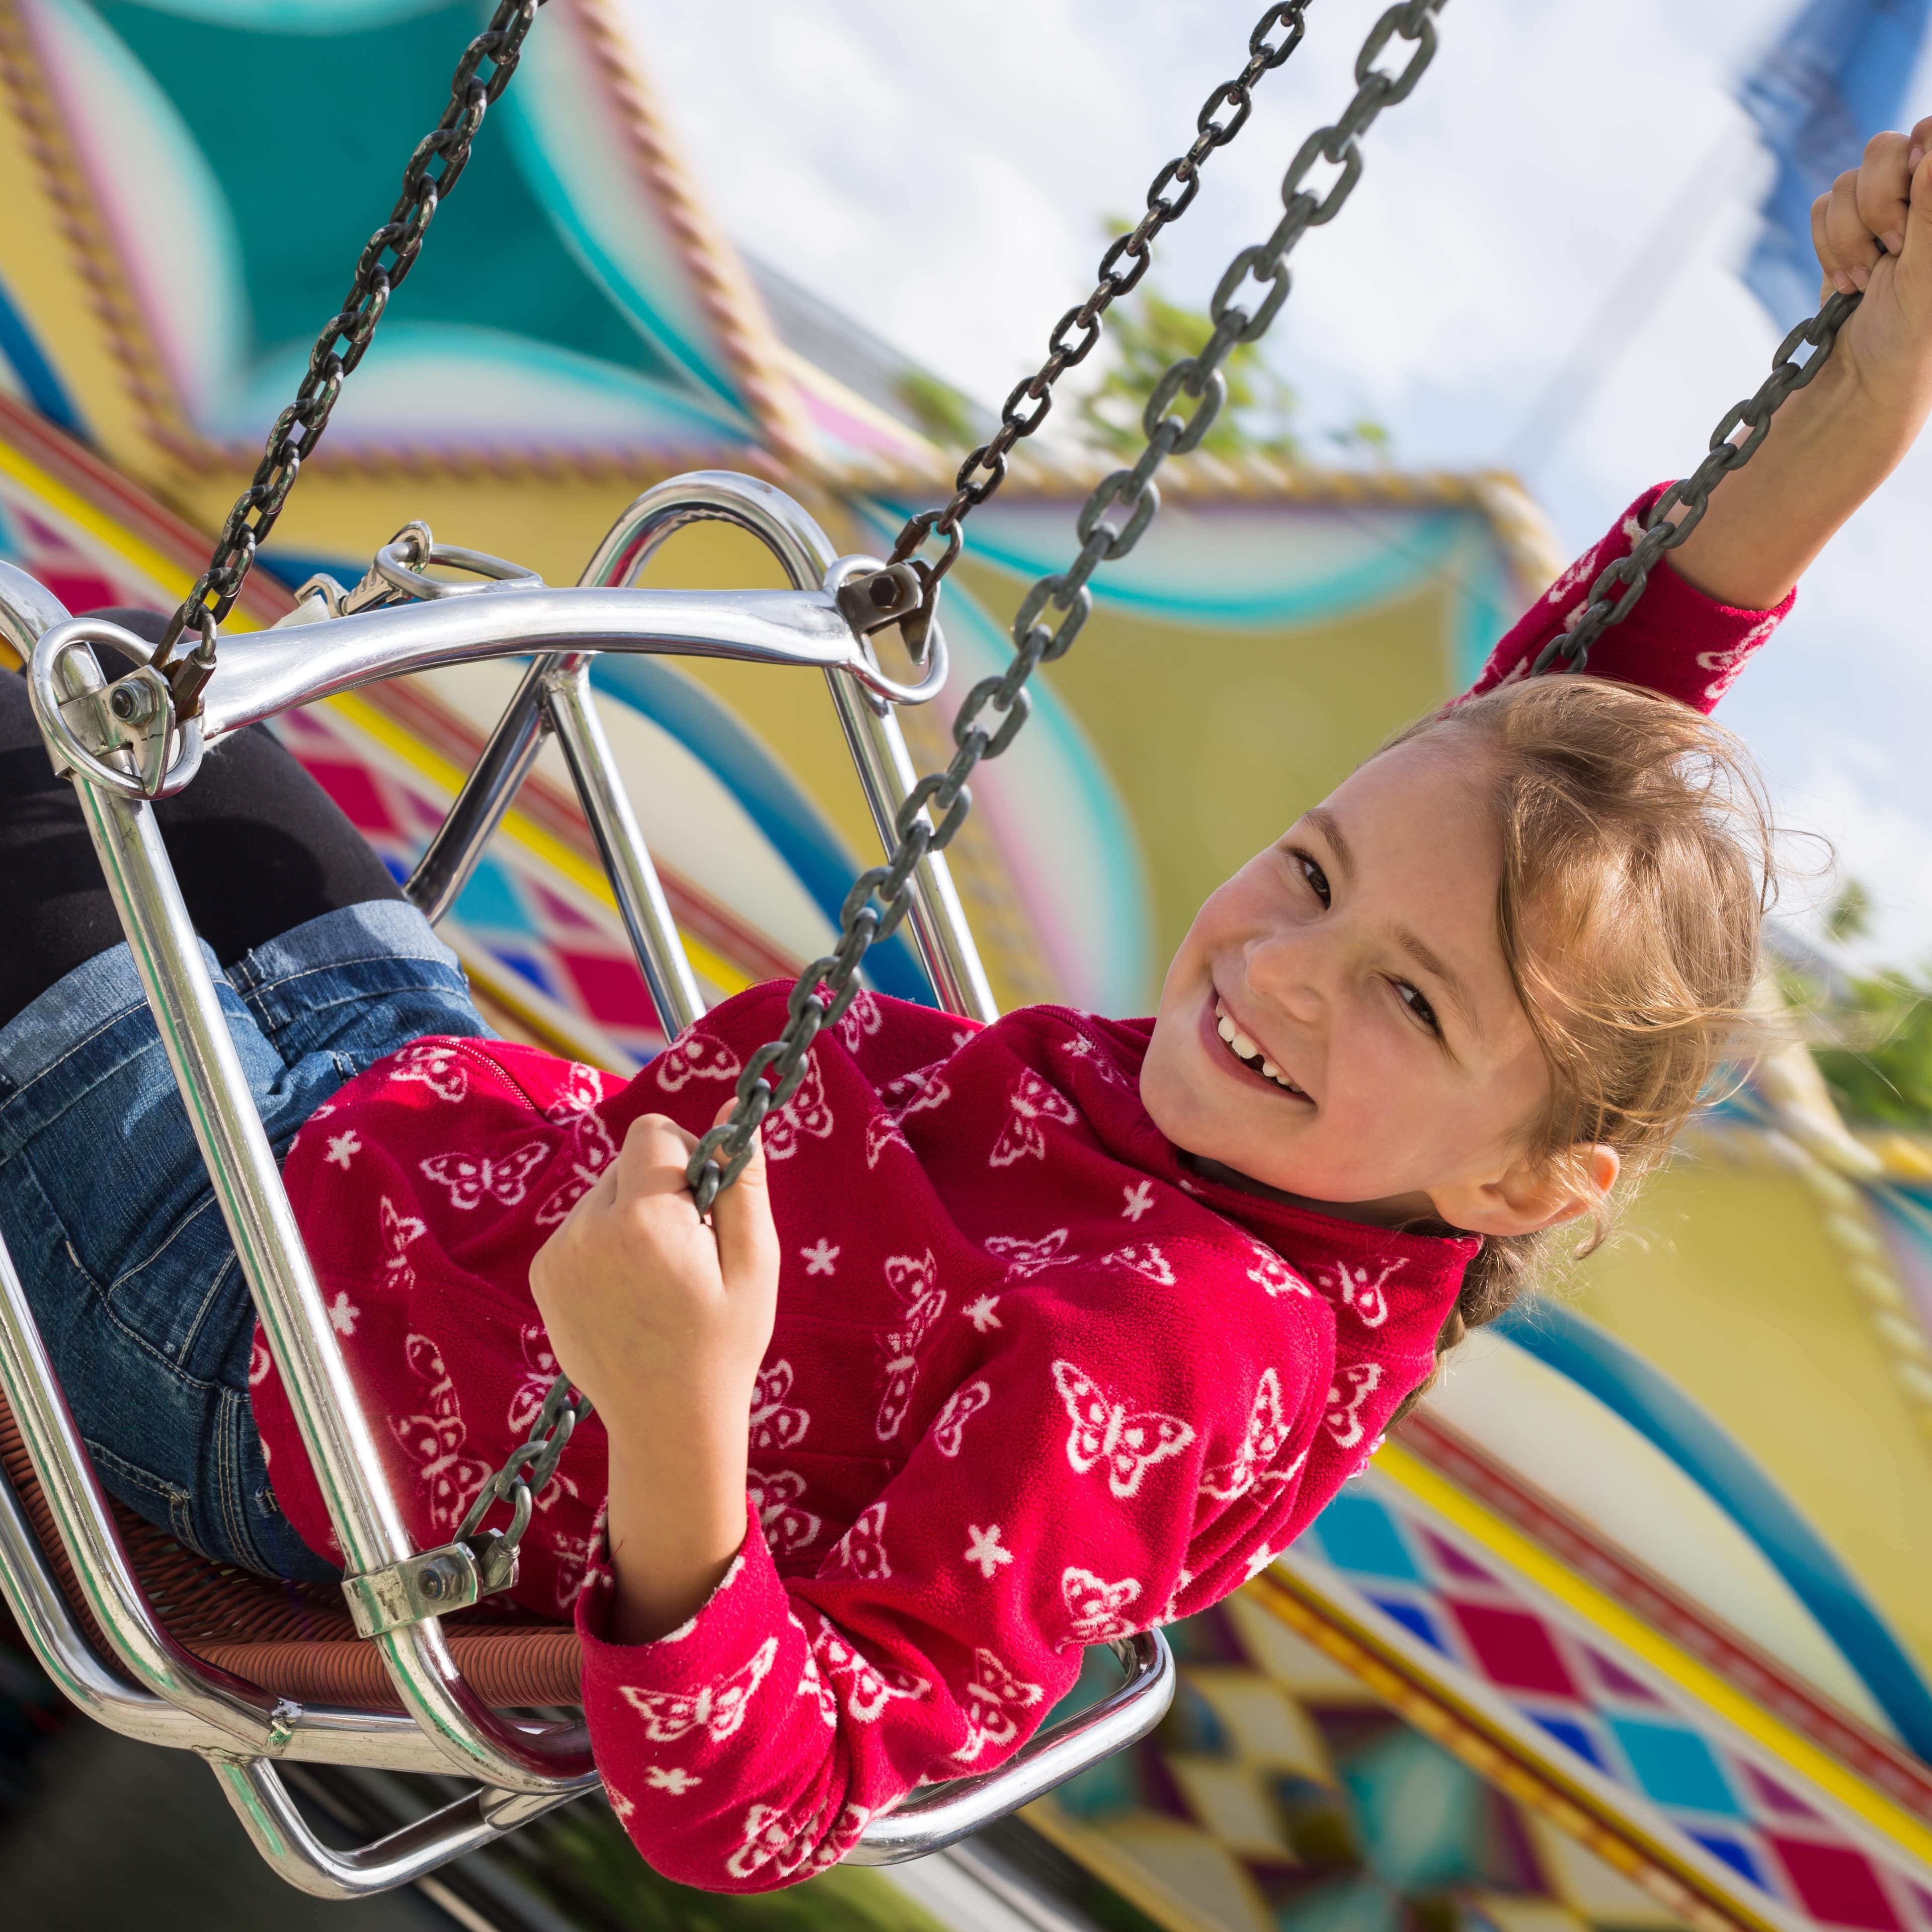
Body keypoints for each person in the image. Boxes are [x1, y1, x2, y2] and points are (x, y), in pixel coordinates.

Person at [1, 126, 1929, 1890]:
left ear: (1536, 1185)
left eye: (1409, 1002)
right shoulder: (1373, 1208)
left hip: (256, 1361)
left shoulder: (1156, 1373)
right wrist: (1875, 366)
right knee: (121, 694)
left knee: (28, 743)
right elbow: (1611, 690)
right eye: (1316, 873)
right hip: (414, 1116)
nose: (1282, 971)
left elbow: (768, 1798)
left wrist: (671, 1414)